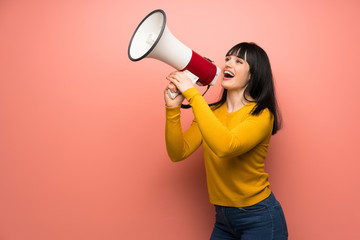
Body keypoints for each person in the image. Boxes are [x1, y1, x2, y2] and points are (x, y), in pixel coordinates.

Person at [164, 42, 288, 240]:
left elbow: (226, 146)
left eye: (238, 61)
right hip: (223, 218)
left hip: (259, 217)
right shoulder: (211, 113)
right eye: (228, 59)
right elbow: (178, 152)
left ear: (253, 75)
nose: (228, 64)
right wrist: (172, 110)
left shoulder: (261, 115)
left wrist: (192, 94)